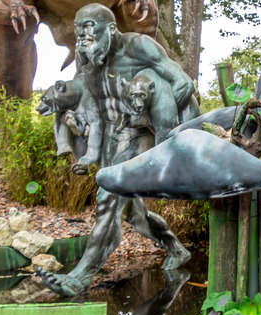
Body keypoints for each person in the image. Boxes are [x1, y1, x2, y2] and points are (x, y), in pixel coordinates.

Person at [36, 4, 199, 296]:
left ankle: (79, 277)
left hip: (143, 129)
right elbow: (90, 106)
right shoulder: (88, 64)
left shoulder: (138, 47)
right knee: (132, 213)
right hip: (116, 134)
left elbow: (184, 83)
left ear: (111, 29)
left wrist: (154, 123)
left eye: (90, 29)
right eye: (79, 29)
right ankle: (177, 251)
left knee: (107, 199)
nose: (83, 36)